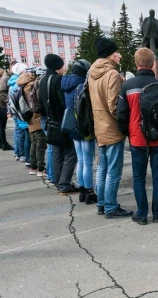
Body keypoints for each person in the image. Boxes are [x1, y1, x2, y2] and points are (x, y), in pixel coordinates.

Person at [117, 48, 158, 224]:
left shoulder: (127, 86)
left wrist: (127, 133)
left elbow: (122, 115)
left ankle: (141, 213)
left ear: (136, 63)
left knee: (138, 177)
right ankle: (157, 212)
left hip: (137, 138)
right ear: (153, 64)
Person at [87, 39, 131, 217]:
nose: (119, 55)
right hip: (112, 128)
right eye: (116, 52)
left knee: (103, 168)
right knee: (113, 170)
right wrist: (125, 125)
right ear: (109, 54)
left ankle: (102, 203)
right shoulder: (112, 74)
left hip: (99, 126)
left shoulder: (92, 73)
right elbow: (115, 106)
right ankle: (111, 206)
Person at [39, 54, 79, 196]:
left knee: (56, 153)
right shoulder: (59, 80)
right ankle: (64, 184)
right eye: (62, 65)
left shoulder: (42, 80)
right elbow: (64, 103)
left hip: (49, 121)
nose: (64, 68)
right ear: (57, 66)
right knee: (70, 154)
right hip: (61, 121)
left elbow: (40, 105)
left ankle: (58, 182)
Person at [61, 59, 97, 204]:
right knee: (87, 161)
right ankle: (89, 191)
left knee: (80, 160)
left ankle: (82, 190)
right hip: (84, 126)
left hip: (72, 126)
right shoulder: (83, 85)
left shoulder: (67, 85)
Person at [17, 68, 47, 178]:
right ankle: (41, 168)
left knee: (34, 144)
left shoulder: (23, 86)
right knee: (40, 145)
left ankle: (33, 167)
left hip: (30, 119)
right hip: (36, 118)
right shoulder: (32, 85)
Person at [6, 63, 31, 165]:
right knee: (24, 136)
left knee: (19, 133)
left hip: (15, 111)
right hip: (20, 112)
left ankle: (19, 153)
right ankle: (24, 155)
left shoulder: (12, 82)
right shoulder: (19, 83)